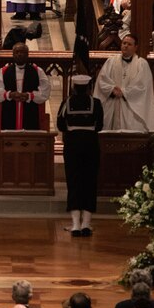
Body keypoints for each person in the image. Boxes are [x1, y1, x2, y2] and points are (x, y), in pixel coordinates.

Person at [57, 75, 104, 237]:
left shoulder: (67, 102)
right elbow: (100, 125)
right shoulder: (96, 103)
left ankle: (75, 224)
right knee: (90, 181)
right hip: (91, 144)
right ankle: (86, 224)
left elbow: (60, 124)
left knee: (74, 180)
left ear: (73, 87)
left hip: (72, 145)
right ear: (90, 87)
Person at [94, 34, 154, 132]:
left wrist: (124, 92)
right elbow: (102, 80)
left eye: (129, 44)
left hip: (130, 108)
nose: (125, 46)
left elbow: (142, 86)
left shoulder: (142, 64)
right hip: (113, 105)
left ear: (136, 47)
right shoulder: (111, 61)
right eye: (124, 43)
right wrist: (112, 89)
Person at [0, 43, 51, 130]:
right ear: (13, 54)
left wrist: (30, 96)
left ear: (27, 54)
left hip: (30, 115)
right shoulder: (3, 72)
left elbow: (45, 92)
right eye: (17, 52)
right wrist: (9, 95)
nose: (19, 54)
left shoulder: (37, 71)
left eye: (22, 52)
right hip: (9, 115)